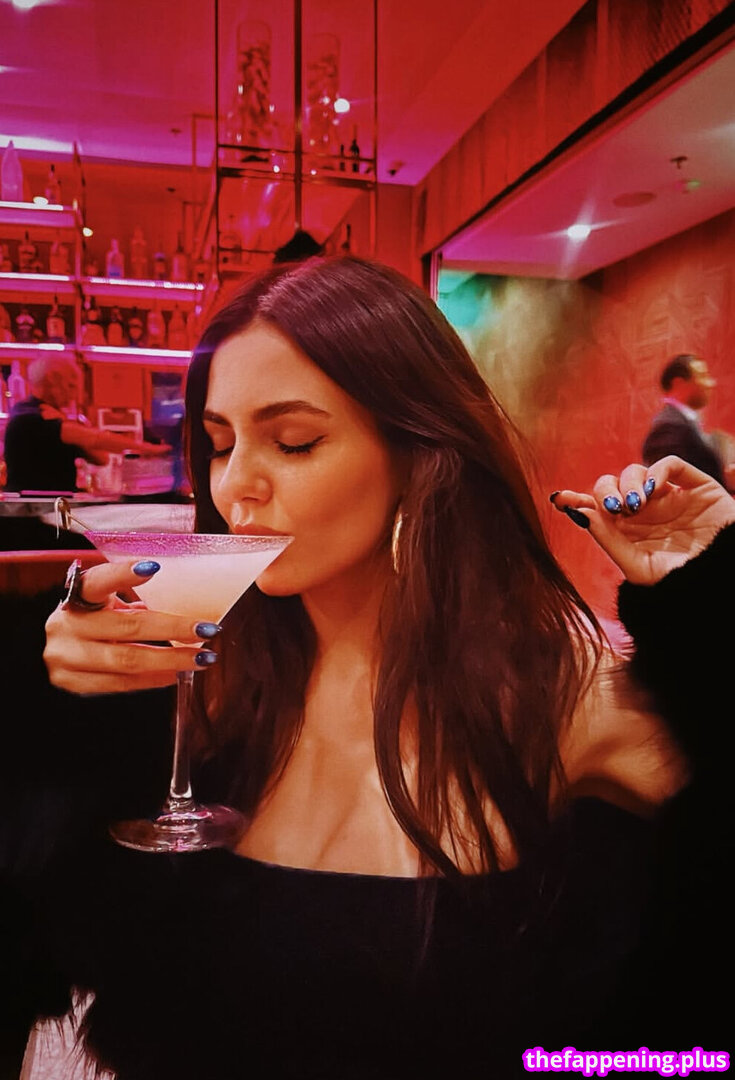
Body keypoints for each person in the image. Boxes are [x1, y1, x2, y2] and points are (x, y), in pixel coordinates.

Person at [1, 256, 733, 1079]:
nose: (236, 486)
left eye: (294, 441)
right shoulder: (203, 680)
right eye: (218, 443)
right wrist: (52, 694)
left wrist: (712, 609)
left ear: (416, 451)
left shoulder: (558, 692)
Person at [2, 355, 171, 494]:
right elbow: (96, 439)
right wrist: (150, 449)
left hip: (50, 507)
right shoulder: (31, 415)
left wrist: (71, 425)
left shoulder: (53, 418)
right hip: (31, 509)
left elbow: (100, 458)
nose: (74, 394)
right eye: (70, 386)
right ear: (53, 380)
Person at [641, 353, 734, 491]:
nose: (711, 383)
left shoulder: (684, 426)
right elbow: (676, 489)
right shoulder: (666, 431)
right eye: (702, 376)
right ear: (679, 383)